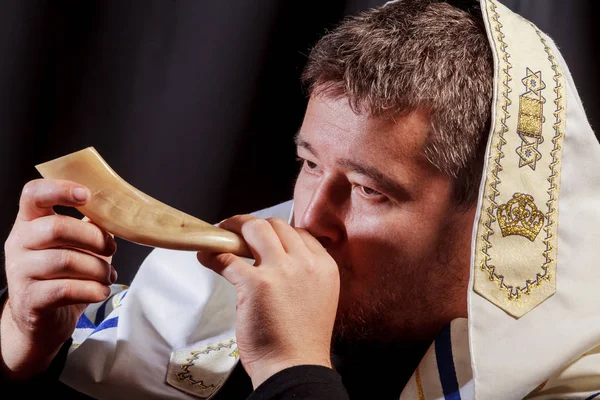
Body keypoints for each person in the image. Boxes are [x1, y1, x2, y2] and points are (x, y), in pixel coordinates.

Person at [2, 0, 600, 399]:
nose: (308, 220)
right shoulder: (196, 295)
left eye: (370, 190)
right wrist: (25, 348)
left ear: (494, 225)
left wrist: (291, 368)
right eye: (309, 164)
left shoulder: (579, 374)